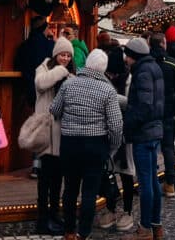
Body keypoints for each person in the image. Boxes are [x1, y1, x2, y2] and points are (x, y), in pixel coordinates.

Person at [50, 48, 123, 240]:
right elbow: (116, 125)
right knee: (89, 191)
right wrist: (112, 148)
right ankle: (83, 232)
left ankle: (68, 231)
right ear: (103, 68)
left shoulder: (69, 84)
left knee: (70, 188)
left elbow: (54, 109)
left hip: (70, 143)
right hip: (95, 145)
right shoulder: (107, 90)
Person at [123, 36, 165, 240]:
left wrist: (129, 122)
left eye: (127, 55)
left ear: (133, 56)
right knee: (153, 182)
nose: (125, 59)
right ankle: (156, 226)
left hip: (144, 133)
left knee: (146, 183)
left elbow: (145, 105)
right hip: (155, 130)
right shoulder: (154, 67)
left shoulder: (142, 72)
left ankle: (145, 228)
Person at [34, 36, 75, 235]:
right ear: (55, 55)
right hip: (46, 134)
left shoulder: (71, 75)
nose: (65, 58)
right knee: (45, 178)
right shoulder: (43, 68)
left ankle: (54, 213)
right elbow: (41, 84)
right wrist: (60, 71)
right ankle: (42, 218)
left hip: (63, 134)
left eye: (68, 55)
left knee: (58, 177)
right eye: (62, 54)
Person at [149, 32, 175, 197]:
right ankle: (170, 183)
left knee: (151, 146)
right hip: (168, 109)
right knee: (168, 147)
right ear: (162, 44)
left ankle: (150, 181)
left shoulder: (147, 63)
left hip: (151, 110)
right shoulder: (172, 63)